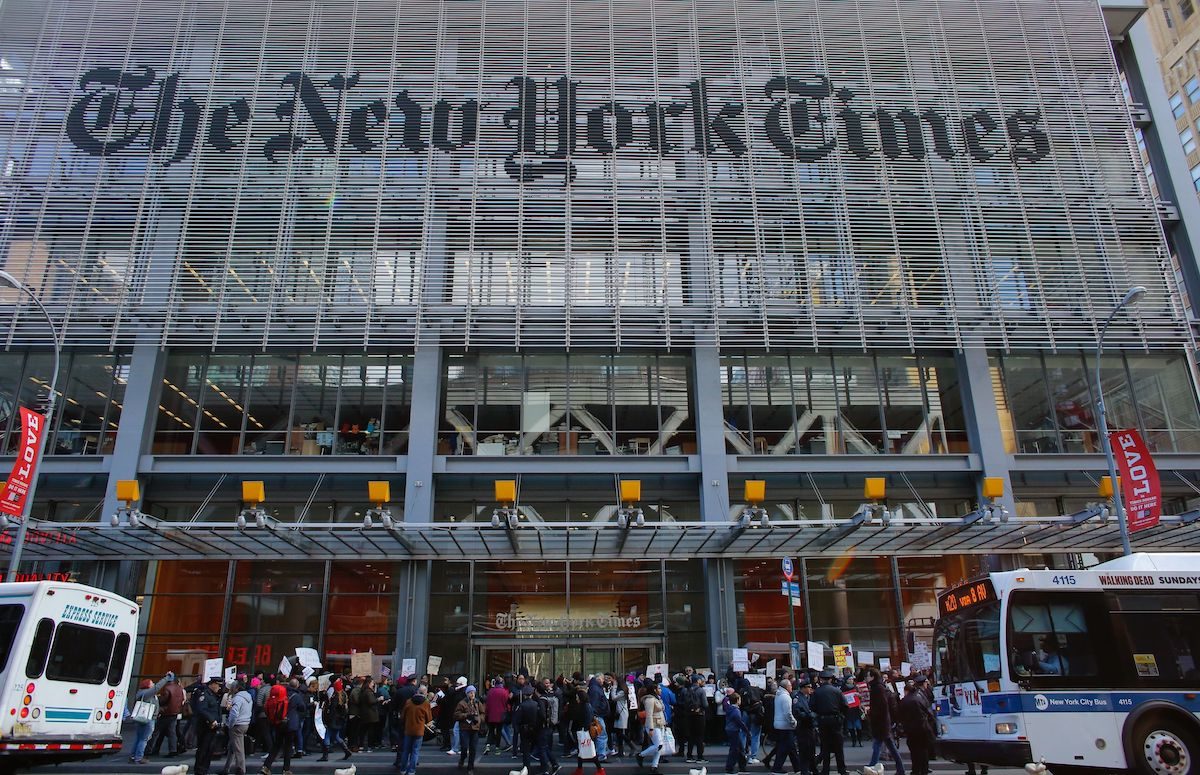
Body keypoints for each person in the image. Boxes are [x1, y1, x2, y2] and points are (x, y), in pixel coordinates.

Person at [865, 669, 905, 775]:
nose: (866, 678)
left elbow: (881, 706)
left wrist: (870, 712)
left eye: (868, 676)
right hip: (883, 722)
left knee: (877, 746)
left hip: (880, 722)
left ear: (873, 677)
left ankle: (871, 768)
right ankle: (900, 769)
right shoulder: (878, 687)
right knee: (890, 746)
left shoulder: (877, 688)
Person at [810, 670, 849, 775]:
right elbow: (845, 705)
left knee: (825, 747)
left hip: (823, 721)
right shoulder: (837, 691)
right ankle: (842, 769)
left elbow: (812, 706)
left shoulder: (817, 692)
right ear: (830, 679)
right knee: (838, 747)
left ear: (821, 680)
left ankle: (825, 770)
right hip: (836, 721)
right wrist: (841, 716)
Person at [129, 673, 171, 764]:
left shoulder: (141, 693)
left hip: (141, 718)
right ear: (148, 685)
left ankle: (133, 756)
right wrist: (166, 678)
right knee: (144, 739)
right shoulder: (147, 693)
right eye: (152, 683)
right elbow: (157, 687)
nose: (153, 684)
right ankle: (138, 757)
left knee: (139, 738)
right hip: (148, 719)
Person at [898, 679, 937, 775]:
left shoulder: (904, 701)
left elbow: (900, 716)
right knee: (923, 751)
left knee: (914, 752)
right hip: (923, 728)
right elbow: (929, 712)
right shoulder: (920, 698)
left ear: (906, 691)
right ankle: (924, 770)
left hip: (911, 730)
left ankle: (915, 770)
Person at [398, 685, 434, 775]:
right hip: (419, 730)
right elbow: (429, 718)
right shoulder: (426, 703)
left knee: (406, 750)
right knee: (415, 751)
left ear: (417, 692)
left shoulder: (409, 701)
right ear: (425, 693)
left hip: (408, 729)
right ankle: (411, 771)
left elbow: (403, 716)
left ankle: (403, 769)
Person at [569, 684, 604, 775]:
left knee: (590, 752)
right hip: (583, 731)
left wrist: (584, 729)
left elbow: (587, 719)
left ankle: (600, 770)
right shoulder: (585, 705)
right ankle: (580, 769)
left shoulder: (585, 706)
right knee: (582, 751)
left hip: (585, 732)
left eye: (577, 696)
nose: (576, 698)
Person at [148, 672, 186, 757]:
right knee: (172, 732)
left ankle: (150, 749)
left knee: (156, 732)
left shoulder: (167, 688)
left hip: (166, 712)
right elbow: (182, 700)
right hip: (175, 713)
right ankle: (173, 750)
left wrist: (158, 700)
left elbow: (163, 700)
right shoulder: (179, 688)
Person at [191, 677, 223, 775]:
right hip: (205, 727)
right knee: (203, 749)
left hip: (212, 727)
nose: (219, 688)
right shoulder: (205, 695)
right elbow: (202, 709)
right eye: (218, 685)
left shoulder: (214, 695)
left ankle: (204, 769)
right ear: (212, 684)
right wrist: (211, 720)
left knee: (209, 750)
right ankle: (200, 770)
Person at [769, 679, 801, 775]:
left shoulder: (779, 695)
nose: (792, 687)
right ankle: (777, 768)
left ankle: (797, 768)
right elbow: (788, 713)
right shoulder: (786, 697)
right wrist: (794, 722)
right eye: (790, 685)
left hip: (780, 724)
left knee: (791, 748)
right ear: (787, 687)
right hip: (785, 726)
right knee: (784, 749)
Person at [260, 682, 292, 775]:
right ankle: (286, 769)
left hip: (276, 724)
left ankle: (266, 766)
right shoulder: (286, 699)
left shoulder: (270, 700)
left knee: (276, 746)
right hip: (286, 724)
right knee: (288, 746)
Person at [223, 679, 253, 775]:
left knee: (238, 749)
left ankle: (241, 770)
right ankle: (226, 768)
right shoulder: (248, 697)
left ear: (236, 688)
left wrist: (229, 724)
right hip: (245, 723)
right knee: (232, 747)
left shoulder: (237, 698)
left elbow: (234, 713)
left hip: (237, 724)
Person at [636, 681, 667, 775]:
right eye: (659, 688)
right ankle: (641, 755)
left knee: (659, 746)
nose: (661, 690)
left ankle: (654, 766)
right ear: (654, 690)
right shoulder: (649, 700)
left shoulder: (657, 698)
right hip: (653, 724)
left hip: (660, 723)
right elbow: (649, 715)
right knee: (659, 745)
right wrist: (651, 728)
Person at [455, 684, 486, 773]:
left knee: (473, 748)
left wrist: (479, 719)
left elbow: (483, 713)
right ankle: (462, 758)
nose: (472, 694)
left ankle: (470, 767)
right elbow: (456, 715)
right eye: (470, 693)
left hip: (475, 728)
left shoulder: (477, 702)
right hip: (465, 728)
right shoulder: (462, 703)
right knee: (464, 747)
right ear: (467, 693)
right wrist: (466, 715)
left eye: (474, 692)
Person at [321, 678, 353, 762]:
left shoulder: (335, 698)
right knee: (336, 736)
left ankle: (325, 755)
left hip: (333, 720)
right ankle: (346, 751)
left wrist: (327, 720)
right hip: (339, 721)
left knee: (327, 736)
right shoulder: (344, 695)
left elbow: (332, 711)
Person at [793, 678, 817, 775]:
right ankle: (804, 770)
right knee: (804, 750)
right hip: (803, 727)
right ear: (803, 688)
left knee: (811, 749)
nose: (811, 689)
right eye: (809, 687)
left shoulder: (808, 697)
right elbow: (797, 712)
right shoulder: (797, 698)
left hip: (810, 727)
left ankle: (812, 769)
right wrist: (808, 715)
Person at [722, 692, 749, 775]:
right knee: (735, 750)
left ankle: (742, 767)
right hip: (734, 731)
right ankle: (730, 768)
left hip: (730, 729)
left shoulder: (729, 708)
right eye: (740, 699)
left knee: (740, 749)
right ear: (737, 700)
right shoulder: (736, 710)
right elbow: (739, 722)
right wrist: (746, 730)